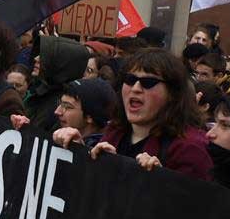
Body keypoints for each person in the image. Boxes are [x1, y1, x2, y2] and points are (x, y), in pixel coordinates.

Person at [66, 50, 212, 180]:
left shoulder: (190, 150)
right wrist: (80, 154)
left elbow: (193, 207)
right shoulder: (115, 132)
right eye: (130, 80)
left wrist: (163, 182)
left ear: (173, 93)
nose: (135, 88)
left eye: (148, 82)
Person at [21, 34, 91, 136]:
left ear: (59, 63)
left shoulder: (59, 105)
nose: (36, 58)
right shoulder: (41, 92)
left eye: (44, 56)